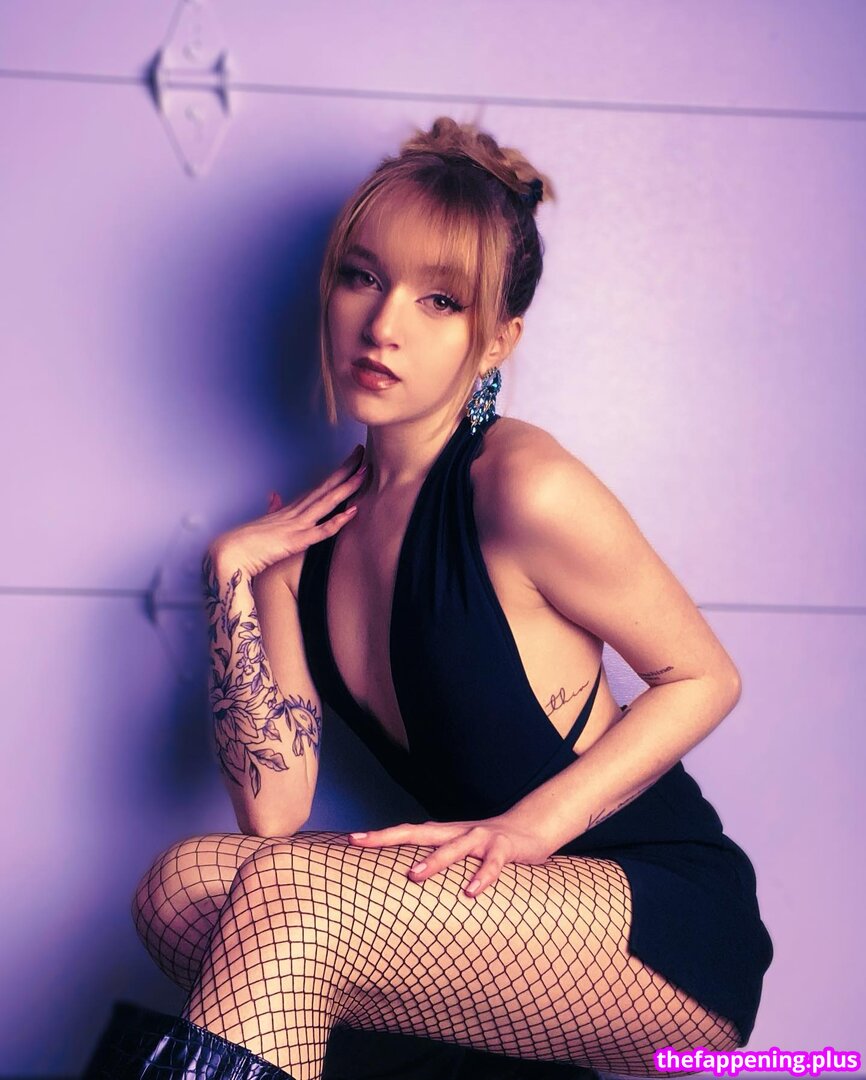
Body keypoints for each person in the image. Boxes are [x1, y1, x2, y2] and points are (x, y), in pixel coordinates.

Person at [81, 117, 773, 1080]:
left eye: (439, 300)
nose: (384, 325)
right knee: (183, 886)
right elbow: (274, 810)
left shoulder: (520, 485)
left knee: (293, 897)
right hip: (492, 914)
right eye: (362, 277)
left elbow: (704, 677)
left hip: (655, 918)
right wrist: (232, 573)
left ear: (496, 341)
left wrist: (529, 830)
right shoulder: (302, 550)